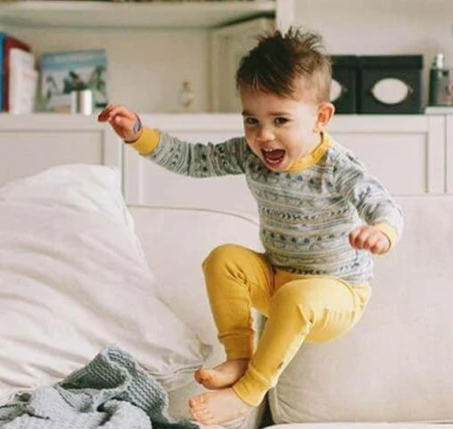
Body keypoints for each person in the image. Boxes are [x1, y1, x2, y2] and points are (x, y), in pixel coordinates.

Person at [98, 27, 404, 426]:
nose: (264, 136)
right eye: (251, 120)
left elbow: (384, 205)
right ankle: (239, 357)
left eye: (280, 119)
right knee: (223, 259)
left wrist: (381, 231)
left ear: (321, 118)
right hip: (277, 280)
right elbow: (194, 159)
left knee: (297, 298)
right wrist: (139, 135)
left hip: (337, 293)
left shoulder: (339, 168)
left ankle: (248, 391)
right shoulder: (250, 154)